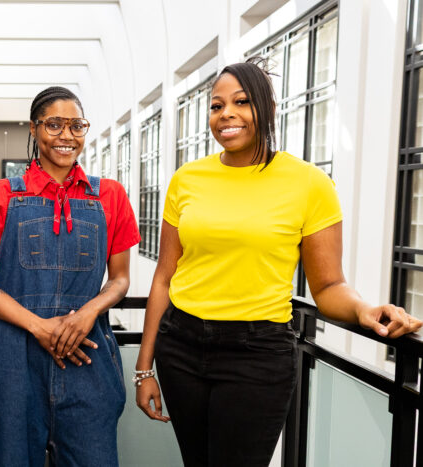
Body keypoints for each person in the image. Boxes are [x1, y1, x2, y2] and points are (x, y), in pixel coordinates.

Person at [134, 59, 423, 467]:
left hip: (257, 354)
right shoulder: (187, 179)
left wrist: (364, 310)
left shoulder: (309, 184)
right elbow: (164, 277)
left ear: (267, 109)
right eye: (216, 106)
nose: (226, 114)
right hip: (180, 347)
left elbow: (326, 287)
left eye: (241, 102)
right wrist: (144, 368)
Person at [0, 86, 140, 466]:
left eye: (76, 126)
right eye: (54, 125)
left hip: (85, 353)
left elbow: (120, 279)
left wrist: (88, 314)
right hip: (10, 356)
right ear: (34, 129)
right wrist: (39, 327)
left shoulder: (110, 196)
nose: (66, 136)